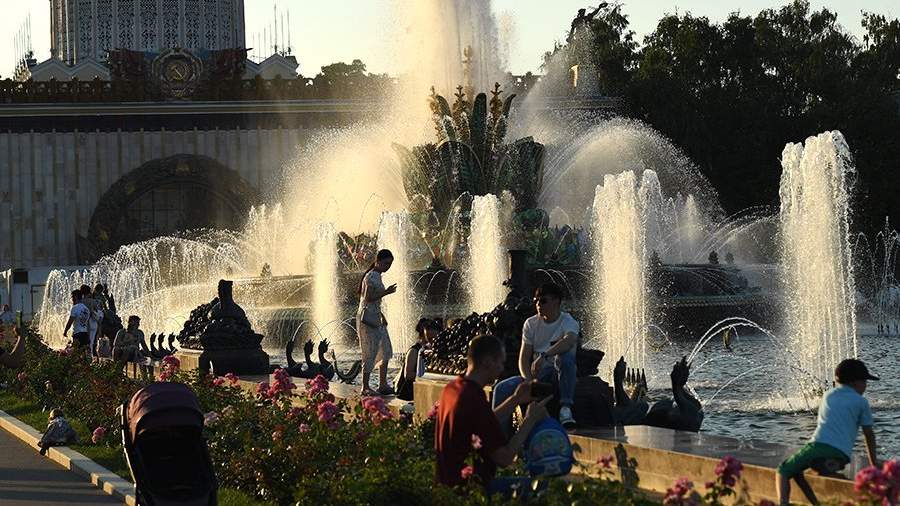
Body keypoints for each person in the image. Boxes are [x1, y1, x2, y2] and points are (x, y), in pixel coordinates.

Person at [435, 334, 550, 495]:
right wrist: (530, 420)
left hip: (447, 486)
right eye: (500, 363)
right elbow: (505, 458)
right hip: (471, 491)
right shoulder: (473, 398)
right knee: (545, 488)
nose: (502, 369)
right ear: (487, 362)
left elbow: (481, 423)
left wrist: (515, 399)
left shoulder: (453, 389)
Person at [776, 358, 880, 505]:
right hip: (841, 453)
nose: (865, 386)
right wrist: (873, 463)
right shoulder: (861, 402)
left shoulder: (828, 396)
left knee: (784, 470)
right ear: (854, 382)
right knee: (807, 471)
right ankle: (832, 475)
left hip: (817, 445)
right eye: (864, 381)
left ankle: (783, 502)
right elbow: (868, 434)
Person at [492, 283, 580, 428]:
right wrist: (528, 381)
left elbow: (569, 342)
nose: (538, 304)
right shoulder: (530, 323)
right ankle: (497, 438)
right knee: (501, 388)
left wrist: (544, 355)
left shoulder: (569, 321)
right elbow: (524, 358)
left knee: (565, 358)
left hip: (558, 375)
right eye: (536, 300)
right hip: (537, 376)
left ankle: (566, 408)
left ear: (556, 301)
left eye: (543, 300)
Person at [356, 249, 397, 396]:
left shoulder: (377, 275)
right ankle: (365, 386)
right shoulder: (371, 276)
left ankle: (383, 384)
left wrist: (381, 315)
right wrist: (386, 292)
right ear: (378, 261)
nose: (388, 267)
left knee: (385, 349)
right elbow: (368, 298)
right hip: (368, 320)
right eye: (386, 263)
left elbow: (374, 302)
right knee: (370, 350)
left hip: (375, 317)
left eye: (390, 264)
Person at [395, 318, 441, 401]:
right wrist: (428, 377)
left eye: (435, 339)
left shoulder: (437, 350)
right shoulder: (414, 351)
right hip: (410, 393)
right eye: (430, 339)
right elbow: (408, 375)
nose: (433, 342)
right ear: (423, 336)